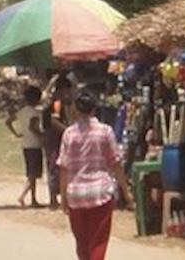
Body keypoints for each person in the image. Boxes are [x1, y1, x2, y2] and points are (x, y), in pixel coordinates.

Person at [57, 88, 128, 260]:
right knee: (98, 243)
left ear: (75, 109)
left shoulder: (69, 134)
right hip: (100, 193)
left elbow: (64, 168)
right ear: (94, 108)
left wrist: (63, 196)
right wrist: (127, 192)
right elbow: (116, 164)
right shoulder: (105, 131)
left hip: (76, 195)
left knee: (82, 243)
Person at [39, 74, 72, 202]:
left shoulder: (58, 102)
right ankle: (53, 196)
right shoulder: (55, 103)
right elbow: (54, 121)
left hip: (56, 135)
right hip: (53, 136)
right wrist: (68, 131)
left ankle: (58, 194)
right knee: (54, 163)